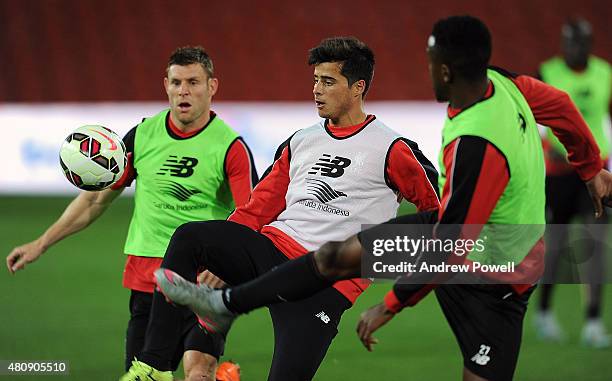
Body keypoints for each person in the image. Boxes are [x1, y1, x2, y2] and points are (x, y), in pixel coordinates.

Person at [156, 17, 612, 381]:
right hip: (473, 242)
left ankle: (227, 305)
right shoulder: (505, 85)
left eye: (432, 61)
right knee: (315, 253)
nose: (427, 69)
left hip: (487, 263)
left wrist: (390, 305)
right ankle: (200, 326)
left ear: (447, 71)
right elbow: (562, 107)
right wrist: (592, 167)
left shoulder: (465, 146)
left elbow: (449, 236)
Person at [121, 36, 441, 381]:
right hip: (272, 254)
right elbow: (258, 207)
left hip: (327, 285)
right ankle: (154, 365)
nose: (317, 90)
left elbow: (437, 214)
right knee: (190, 238)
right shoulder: (301, 140)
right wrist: (224, 253)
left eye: (328, 81)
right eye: (316, 80)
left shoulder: (393, 148)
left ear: (358, 87)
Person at [6, 46, 257, 381]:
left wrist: (227, 264)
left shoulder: (230, 146)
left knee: (198, 371)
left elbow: (251, 215)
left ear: (212, 87)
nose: (184, 90)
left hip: (200, 280)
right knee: (143, 375)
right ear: (165, 85)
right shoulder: (141, 136)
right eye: (177, 82)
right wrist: (42, 242)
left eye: (194, 82)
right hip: (147, 277)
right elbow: (96, 201)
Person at [534, 18, 611, 347]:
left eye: (580, 42)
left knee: (596, 243)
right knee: (557, 244)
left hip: (594, 172)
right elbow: (529, 123)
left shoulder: (604, 74)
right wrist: (546, 150)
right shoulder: (547, 73)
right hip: (560, 173)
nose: (574, 48)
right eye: (570, 42)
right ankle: (544, 312)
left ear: (589, 44)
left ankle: (593, 322)